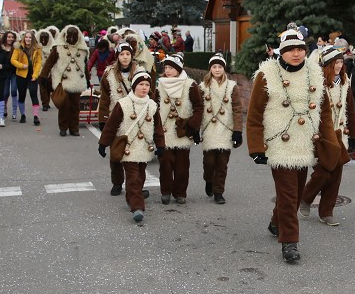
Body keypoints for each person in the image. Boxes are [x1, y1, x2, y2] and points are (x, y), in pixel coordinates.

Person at [246, 28, 338, 263]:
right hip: (279, 144)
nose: (296, 54)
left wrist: (329, 143)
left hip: (305, 143)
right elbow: (254, 114)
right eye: (290, 50)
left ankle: (276, 221)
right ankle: (290, 242)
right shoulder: (266, 74)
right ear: (281, 52)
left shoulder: (314, 73)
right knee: (287, 194)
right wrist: (256, 147)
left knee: (295, 195)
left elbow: (324, 113)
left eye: (300, 49)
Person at [299, 46, 355, 226]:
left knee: (336, 174)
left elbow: (350, 108)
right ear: (327, 65)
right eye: (335, 63)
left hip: (340, 132)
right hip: (323, 133)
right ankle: (306, 197)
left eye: (341, 62)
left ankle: (326, 212)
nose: (339, 66)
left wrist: (354, 134)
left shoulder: (346, 82)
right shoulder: (318, 84)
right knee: (324, 170)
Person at [98, 71, 165, 223]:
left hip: (145, 148)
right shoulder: (123, 104)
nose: (144, 88)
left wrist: (161, 145)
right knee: (133, 177)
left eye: (147, 85)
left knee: (140, 176)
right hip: (128, 148)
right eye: (141, 84)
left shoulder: (153, 106)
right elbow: (112, 125)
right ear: (134, 86)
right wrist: (103, 143)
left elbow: (158, 128)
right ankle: (137, 208)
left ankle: (131, 197)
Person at [155, 54, 203, 204]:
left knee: (182, 165)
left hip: (183, 130)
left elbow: (198, 106)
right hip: (165, 130)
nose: (167, 71)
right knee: (165, 162)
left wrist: (191, 126)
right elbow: (153, 105)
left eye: (171, 67)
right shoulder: (160, 84)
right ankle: (166, 191)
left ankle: (180, 192)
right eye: (166, 67)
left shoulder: (190, 85)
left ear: (178, 68)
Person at [199, 53, 245, 205]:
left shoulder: (232, 86)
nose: (217, 70)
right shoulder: (203, 86)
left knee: (222, 164)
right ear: (210, 69)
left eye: (220, 67)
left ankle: (219, 192)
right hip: (209, 128)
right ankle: (209, 181)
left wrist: (238, 131)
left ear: (224, 69)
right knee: (209, 162)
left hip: (226, 128)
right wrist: (195, 129)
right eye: (214, 67)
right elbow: (198, 108)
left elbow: (237, 109)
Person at [97, 42, 140, 196]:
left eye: (128, 54)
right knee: (116, 154)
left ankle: (136, 184)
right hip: (116, 118)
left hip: (136, 118)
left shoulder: (140, 72)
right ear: (117, 56)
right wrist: (103, 119)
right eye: (122, 54)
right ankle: (117, 183)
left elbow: (150, 94)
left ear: (132, 55)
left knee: (136, 154)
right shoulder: (109, 74)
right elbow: (104, 98)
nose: (125, 57)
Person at [40, 25, 89, 137]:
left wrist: (88, 79)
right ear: (65, 36)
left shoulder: (83, 50)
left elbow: (84, 65)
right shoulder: (58, 48)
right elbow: (49, 63)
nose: (71, 39)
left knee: (75, 106)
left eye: (74, 36)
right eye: (69, 36)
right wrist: (43, 76)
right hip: (62, 80)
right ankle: (63, 127)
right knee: (64, 105)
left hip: (77, 80)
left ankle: (74, 128)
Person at [11, 30, 43, 125]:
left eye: (30, 37)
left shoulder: (37, 48)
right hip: (21, 74)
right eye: (26, 37)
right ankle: (23, 115)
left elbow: (38, 63)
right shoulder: (18, 47)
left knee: (34, 94)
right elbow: (13, 60)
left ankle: (36, 116)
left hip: (32, 75)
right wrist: (22, 65)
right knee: (22, 95)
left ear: (33, 39)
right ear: (24, 38)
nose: (28, 39)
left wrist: (35, 75)